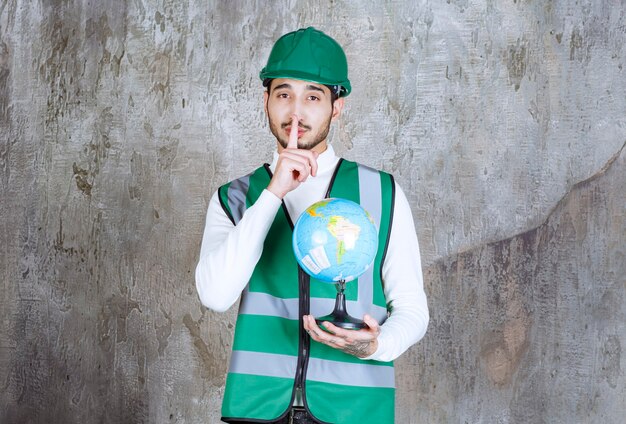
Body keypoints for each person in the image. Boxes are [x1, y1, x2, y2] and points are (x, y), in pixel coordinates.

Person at [195, 27, 429, 424]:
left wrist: (375, 346)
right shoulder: (234, 197)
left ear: (337, 107)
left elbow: (412, 309)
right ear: (266, 100)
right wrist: (272, 194)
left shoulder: (381, 191)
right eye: (284, 94)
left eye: (314, 96)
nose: (296, 112)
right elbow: (215, 295)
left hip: (355, 411)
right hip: (256, 408)